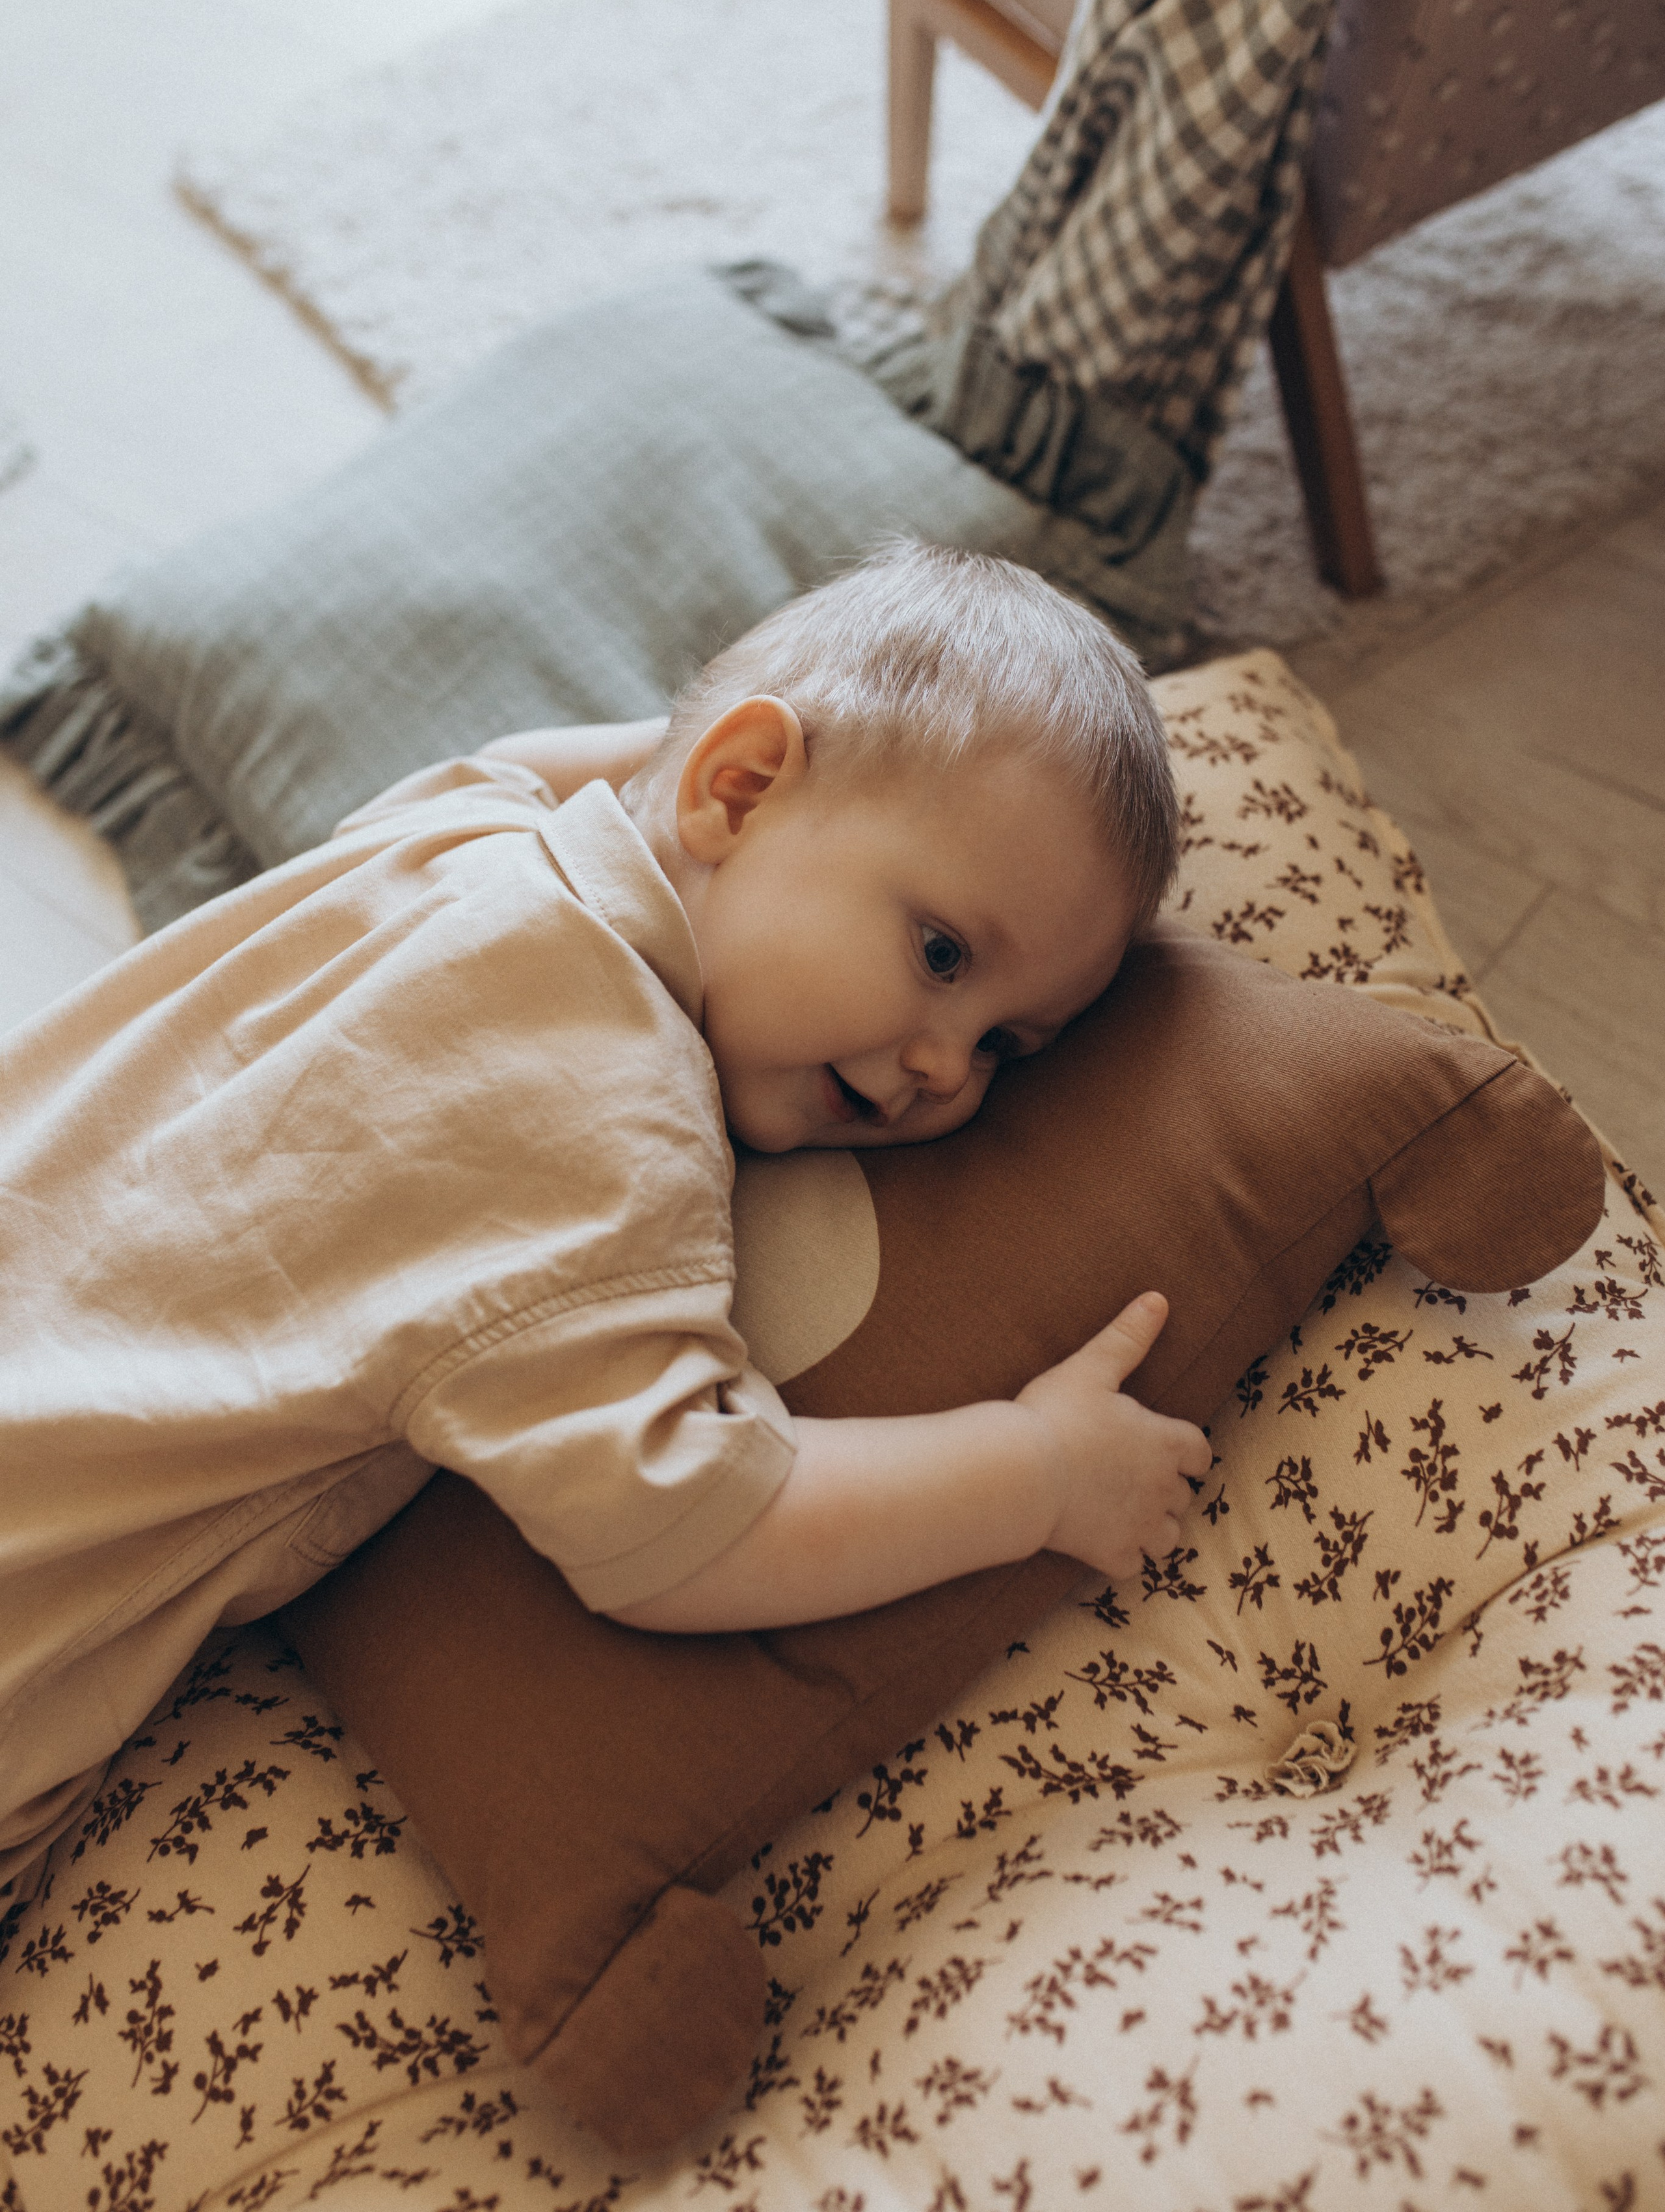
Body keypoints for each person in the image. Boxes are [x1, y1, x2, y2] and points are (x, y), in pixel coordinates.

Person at [0, 542, 1209, 1891]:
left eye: (1008, 1046)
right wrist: (1033, 1471)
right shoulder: (602, 1109)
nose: (944, 1067)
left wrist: (763, 776)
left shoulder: (460, 834)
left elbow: (579, 768)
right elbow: (684, 1530)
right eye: (939, 955)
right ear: (734, 792)